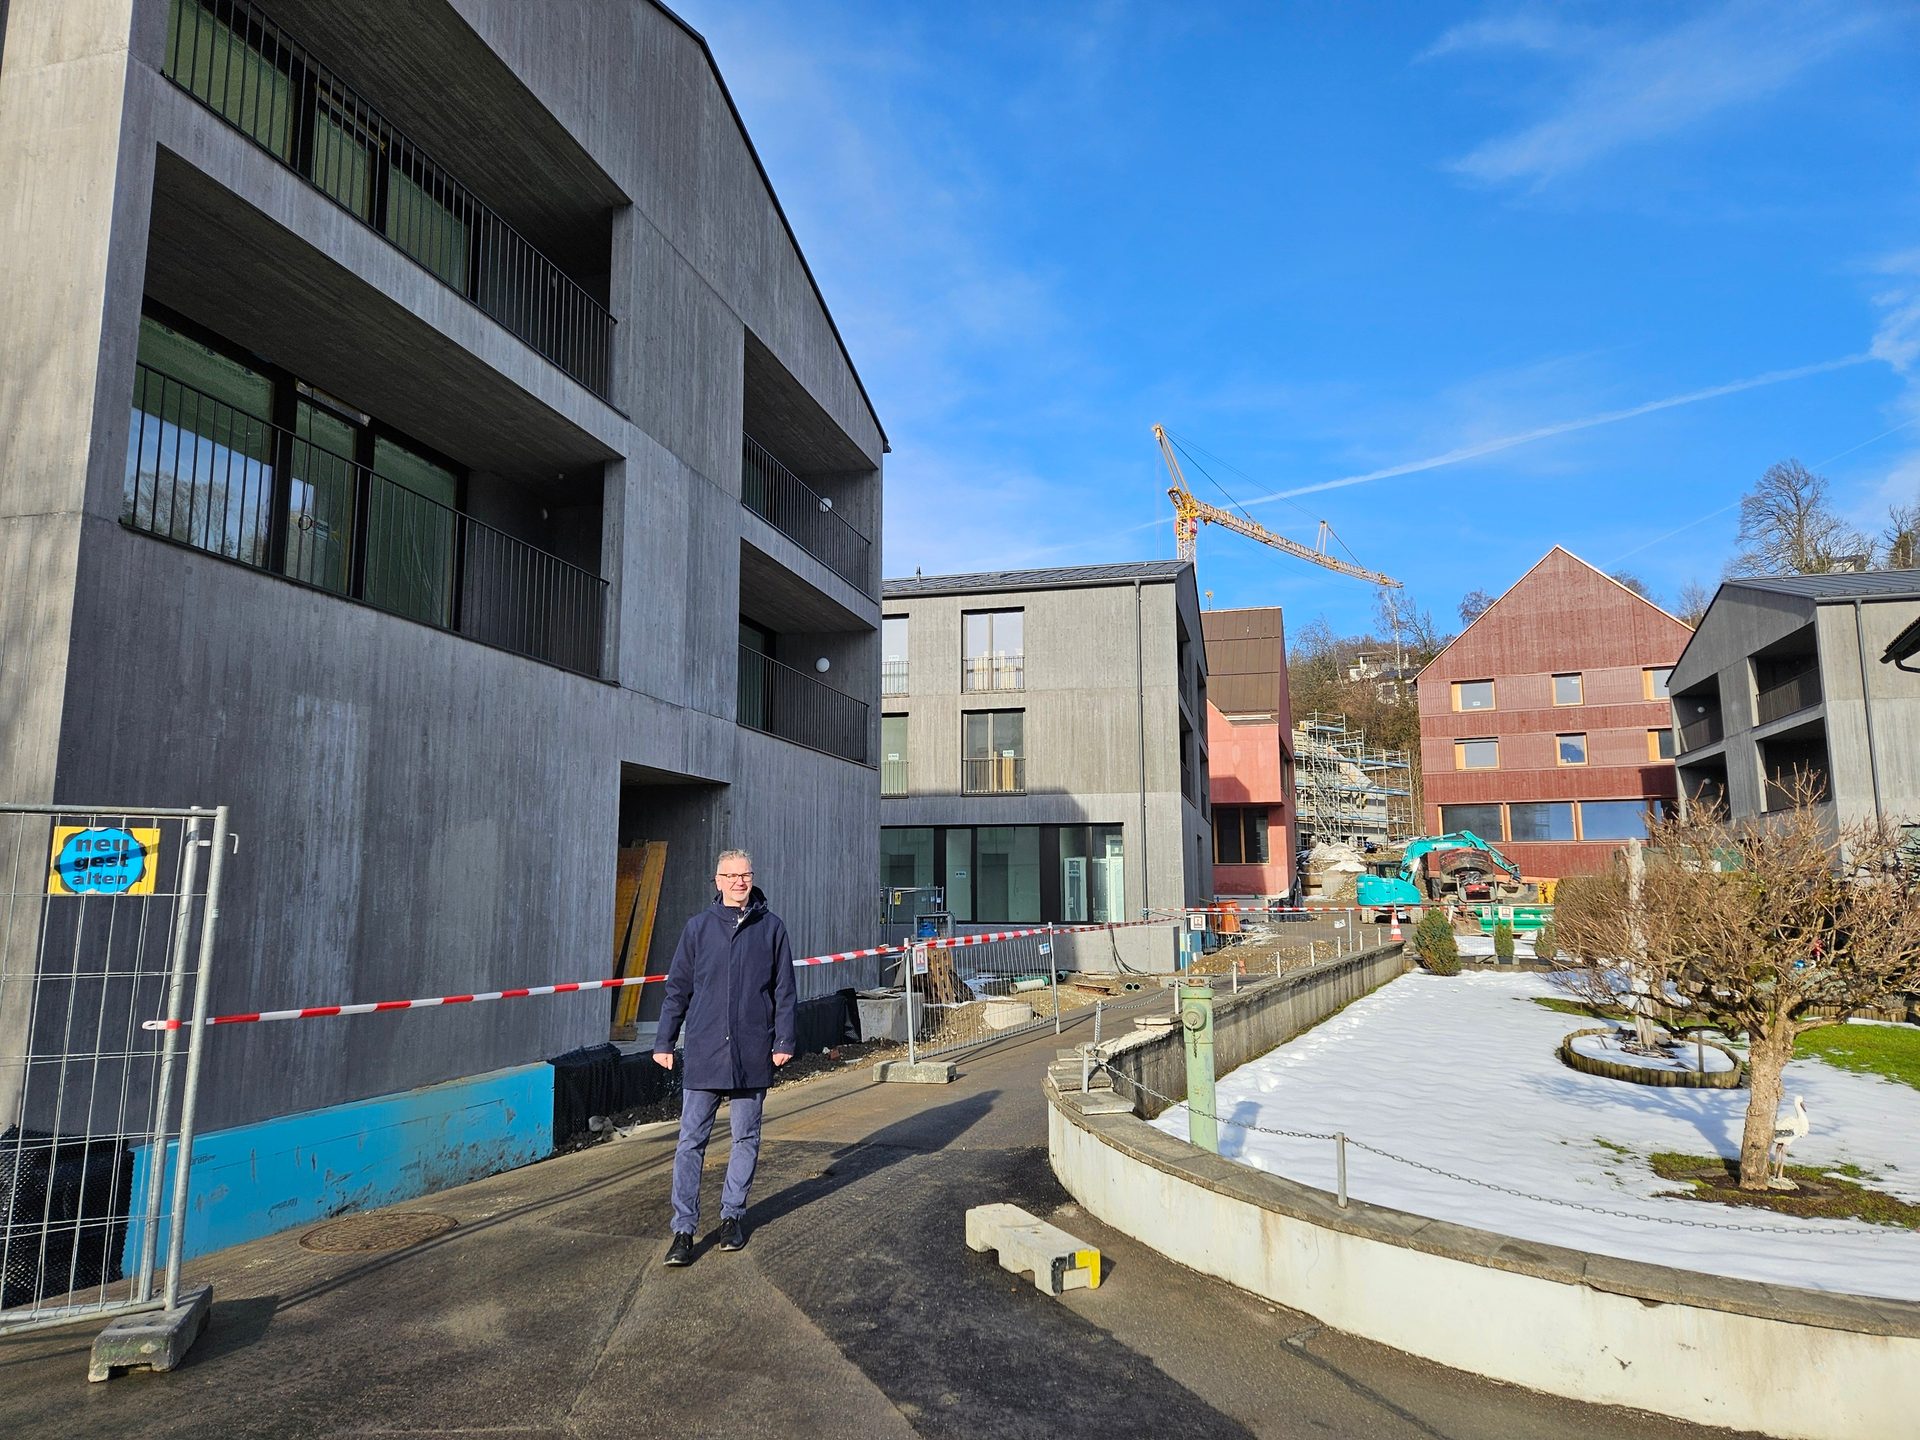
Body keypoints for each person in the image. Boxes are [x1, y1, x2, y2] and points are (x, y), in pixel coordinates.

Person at [652, 848, 796, 1266]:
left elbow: (785, 990)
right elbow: (678, 989)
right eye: (730, 875)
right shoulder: (697, 929)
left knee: (746, 1138)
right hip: (704, 1052)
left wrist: (783, 1041)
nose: (738, 881)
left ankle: (732, 1217)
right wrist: (664, 1042)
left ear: (752, 878)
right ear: (717, 881)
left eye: (745, 874)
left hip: (752, 1050)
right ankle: (683, 1230)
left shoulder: (772, 928)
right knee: (690, 1142)